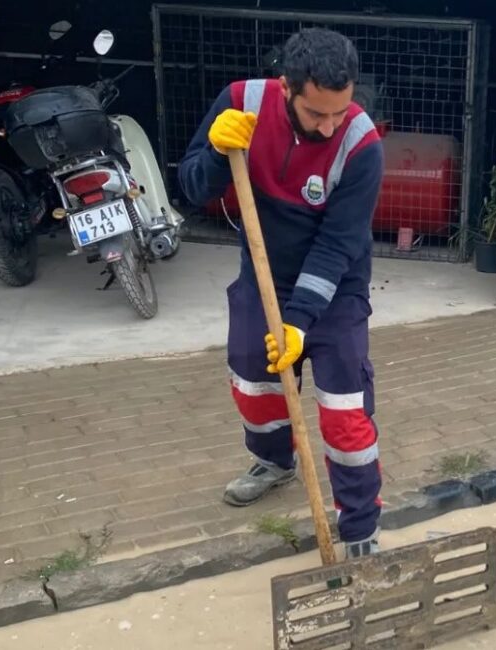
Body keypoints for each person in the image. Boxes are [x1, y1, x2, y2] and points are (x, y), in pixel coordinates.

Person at [177, 27, 384, 558]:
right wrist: (219, 153)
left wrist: (298, 322)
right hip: (262, 275)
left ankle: (360, 530)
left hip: (335, 291)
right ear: (286, 87)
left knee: (343, 410)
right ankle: (275, 461)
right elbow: (194, 187)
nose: (330, 124)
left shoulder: (361, 144)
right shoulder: (241, 103)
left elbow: (338, 246)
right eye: (317, 113)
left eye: (340, 110)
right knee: (253, 383)